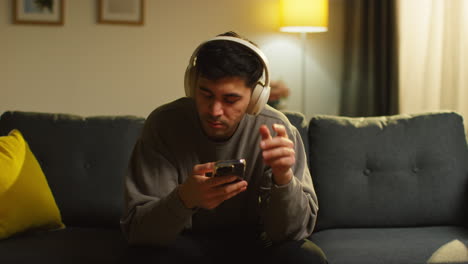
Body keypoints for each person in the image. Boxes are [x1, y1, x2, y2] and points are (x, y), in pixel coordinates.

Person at [120, 31, 327, 264]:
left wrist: (284, 180)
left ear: (256, 97)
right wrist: (184, 198)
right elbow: (139, 232)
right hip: (183, 241)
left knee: (307, 257)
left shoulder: (277, 129)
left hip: (256, 243)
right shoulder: (164, 125)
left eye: (230, 100)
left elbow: (293, 233)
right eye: (205, 94)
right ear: (191, 84)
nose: (214, 110)